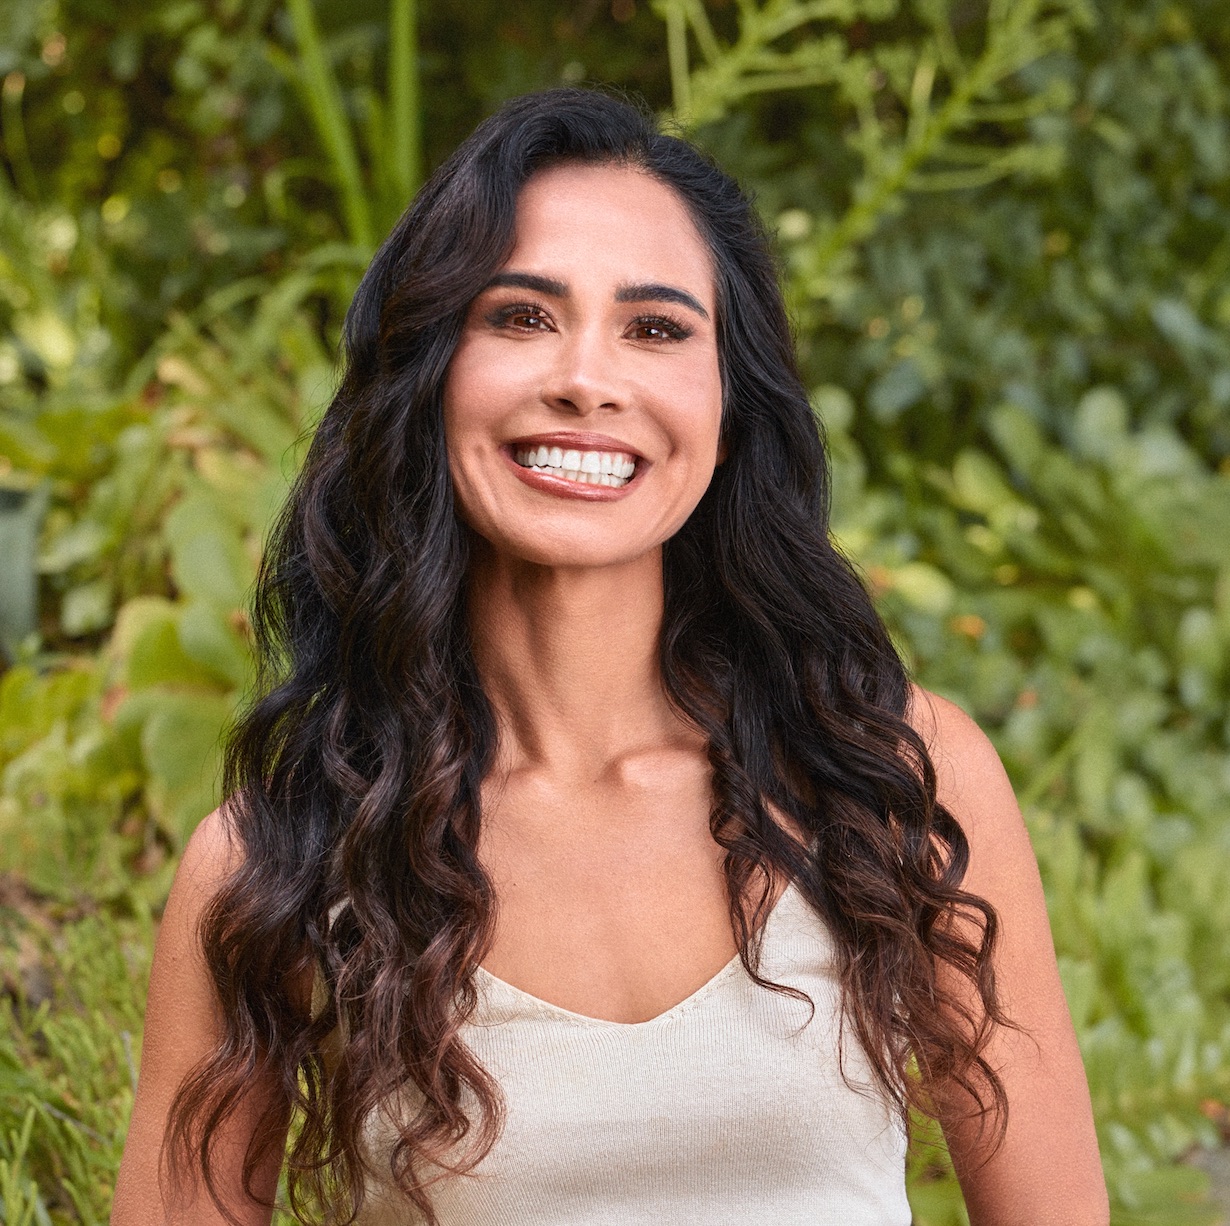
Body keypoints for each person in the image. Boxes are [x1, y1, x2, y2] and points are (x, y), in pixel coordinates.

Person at [112, 88, 1108, 1226]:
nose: (588, 376)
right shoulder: (282, 858)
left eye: (657, 327)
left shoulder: (893, 773)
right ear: (428, 374)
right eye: (522, 316)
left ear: (730, 401)